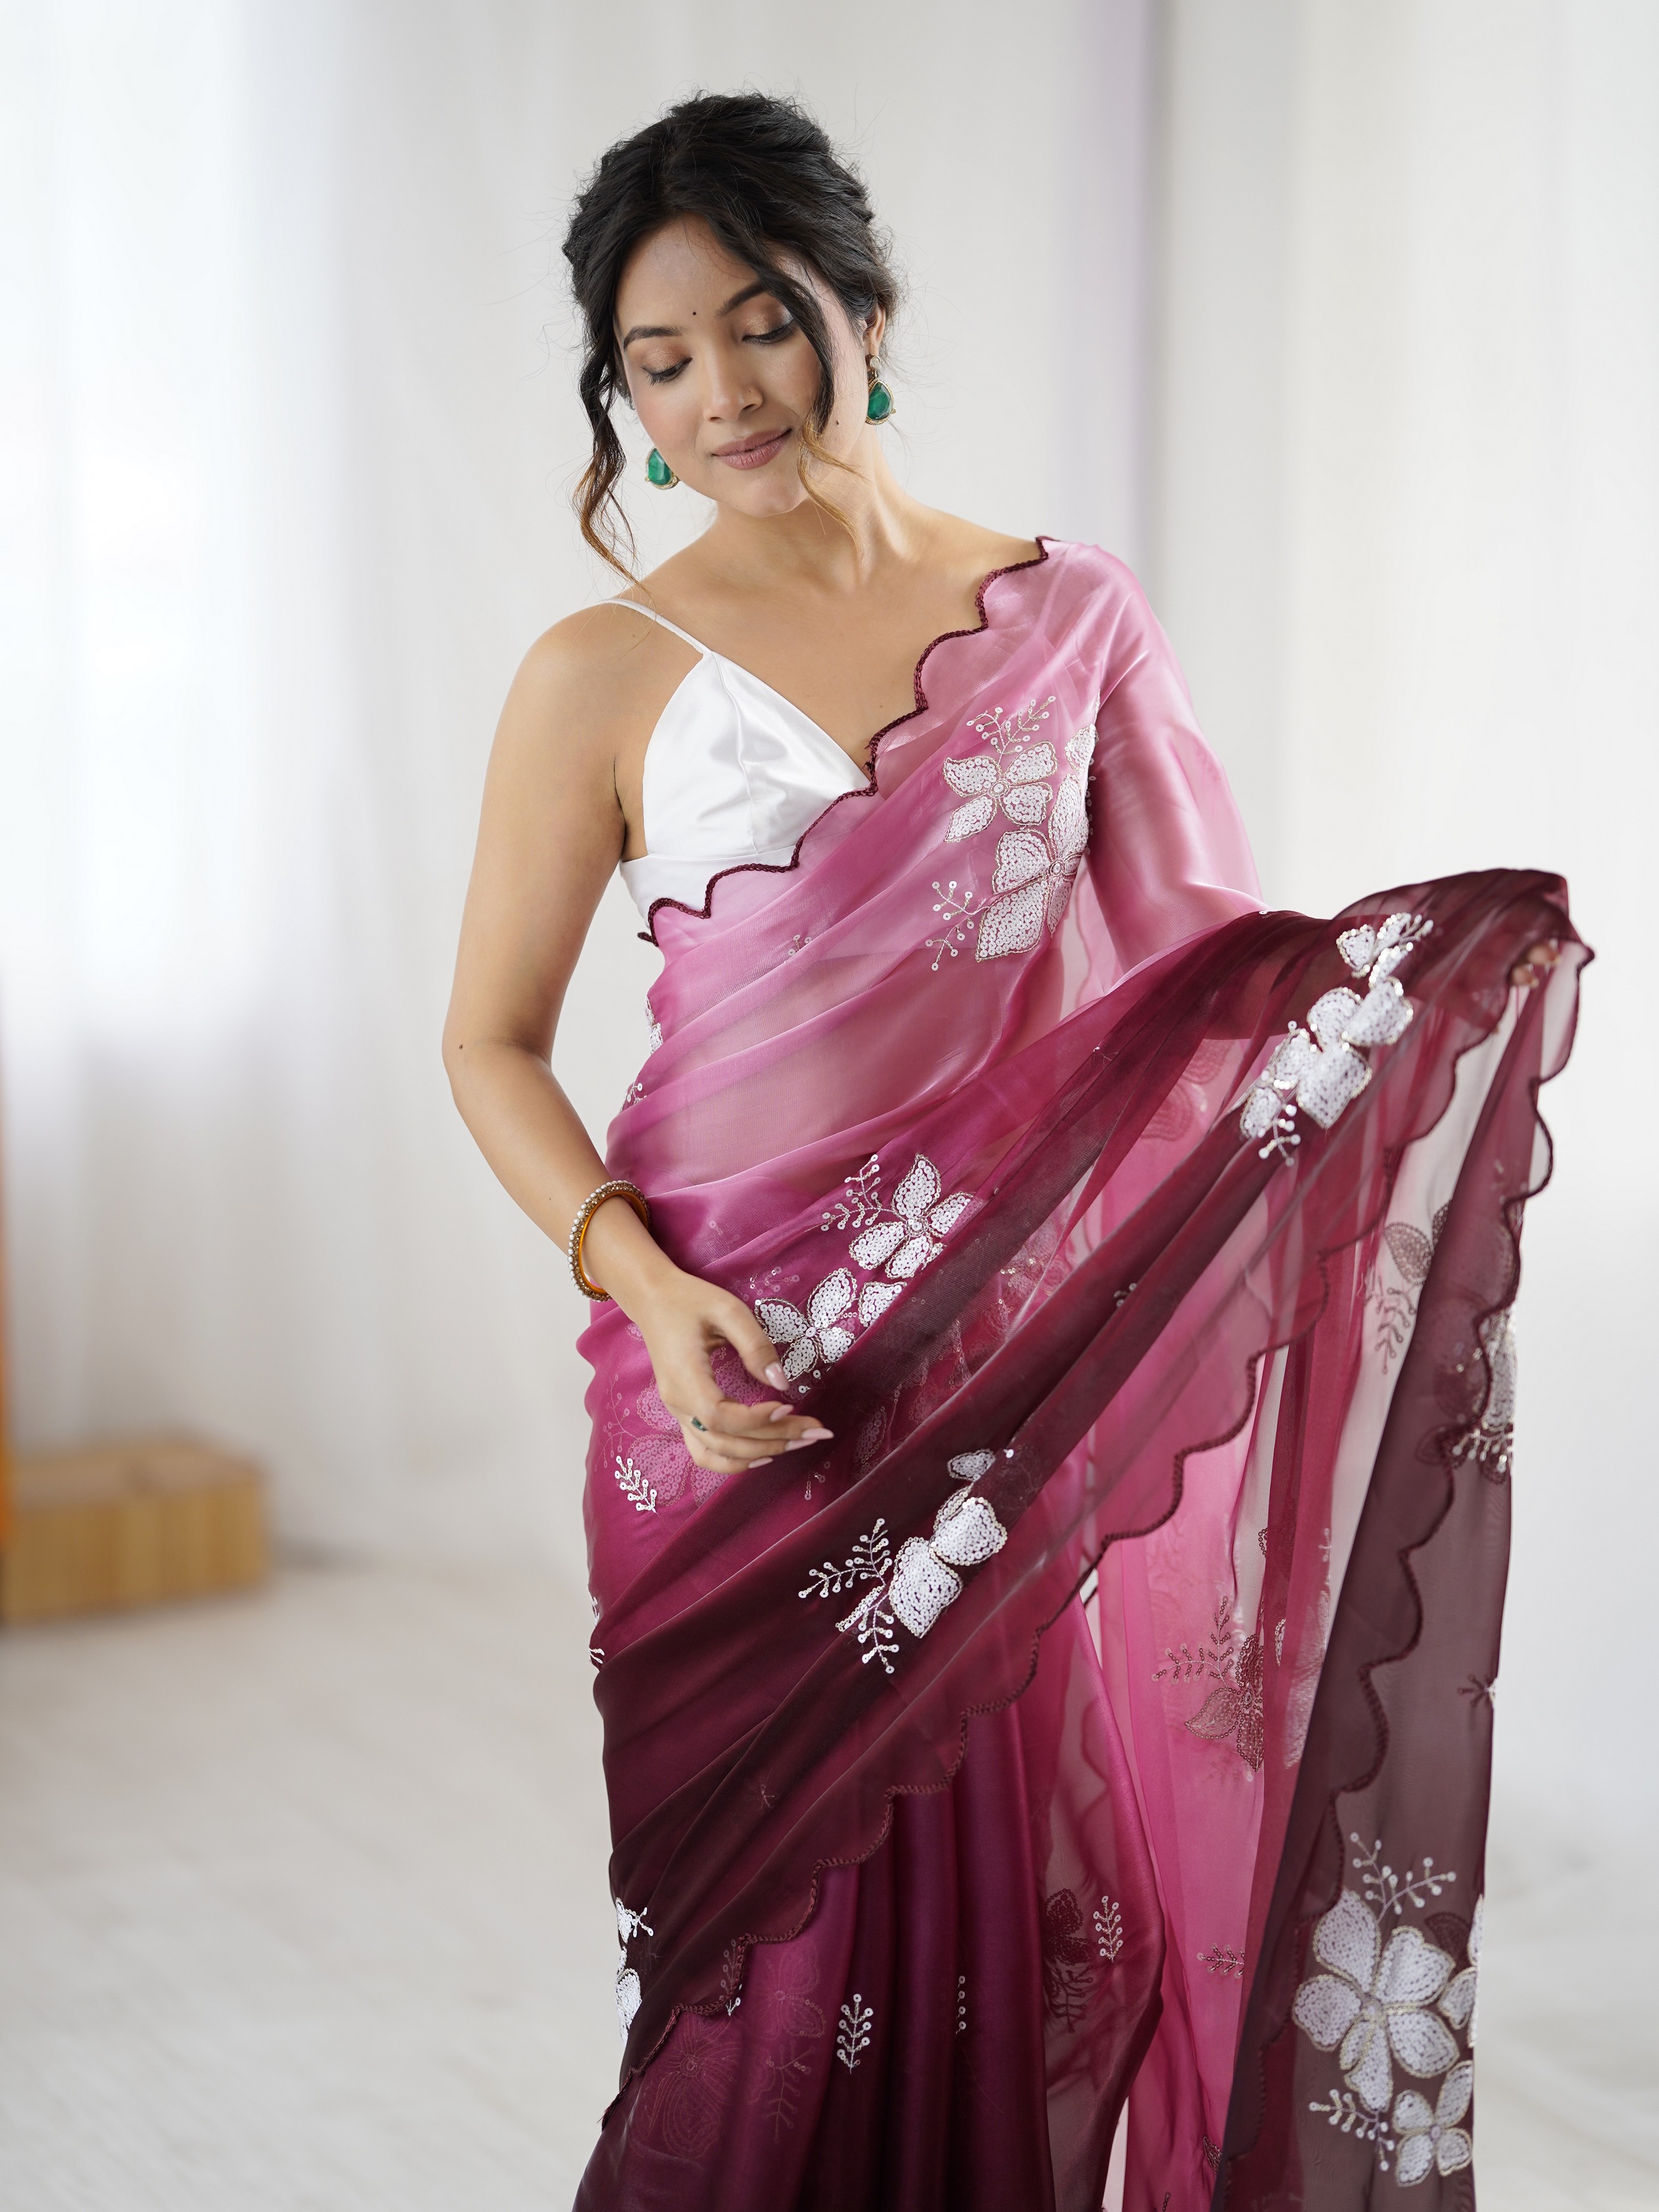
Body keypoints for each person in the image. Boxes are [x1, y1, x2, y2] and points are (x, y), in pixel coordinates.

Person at [444, 91, 1580, 2212]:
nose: (720, 394)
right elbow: (488, 1046)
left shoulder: (1070, 616)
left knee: (993, 1918)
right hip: (718, 1367)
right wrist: (650, 1288)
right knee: (755, 1946)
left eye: (758, 323)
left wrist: (1421, 980)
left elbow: (1208, 979)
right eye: (658, 363)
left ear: (863, 314)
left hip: (991, 1356)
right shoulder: (596, 673)